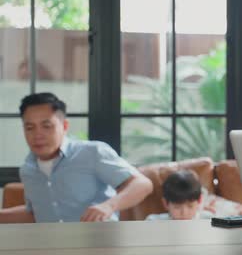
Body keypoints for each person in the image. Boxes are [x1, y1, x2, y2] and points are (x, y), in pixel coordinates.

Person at [0, 92, 153, 223]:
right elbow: (35, 214)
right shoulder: (28, 170)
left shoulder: (92, 152)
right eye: (30, 127)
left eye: (47, 126)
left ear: (64, 126)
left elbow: (142, 184)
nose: (37, 135)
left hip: (99, 245)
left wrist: (109, 206)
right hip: (51, 248)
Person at [146, 170, 242, 221]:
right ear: (166, 203)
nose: (184, 213)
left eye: (190, 206)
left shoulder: (209, 219)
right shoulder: (154, 221)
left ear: (199, 201)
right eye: (177, 207)